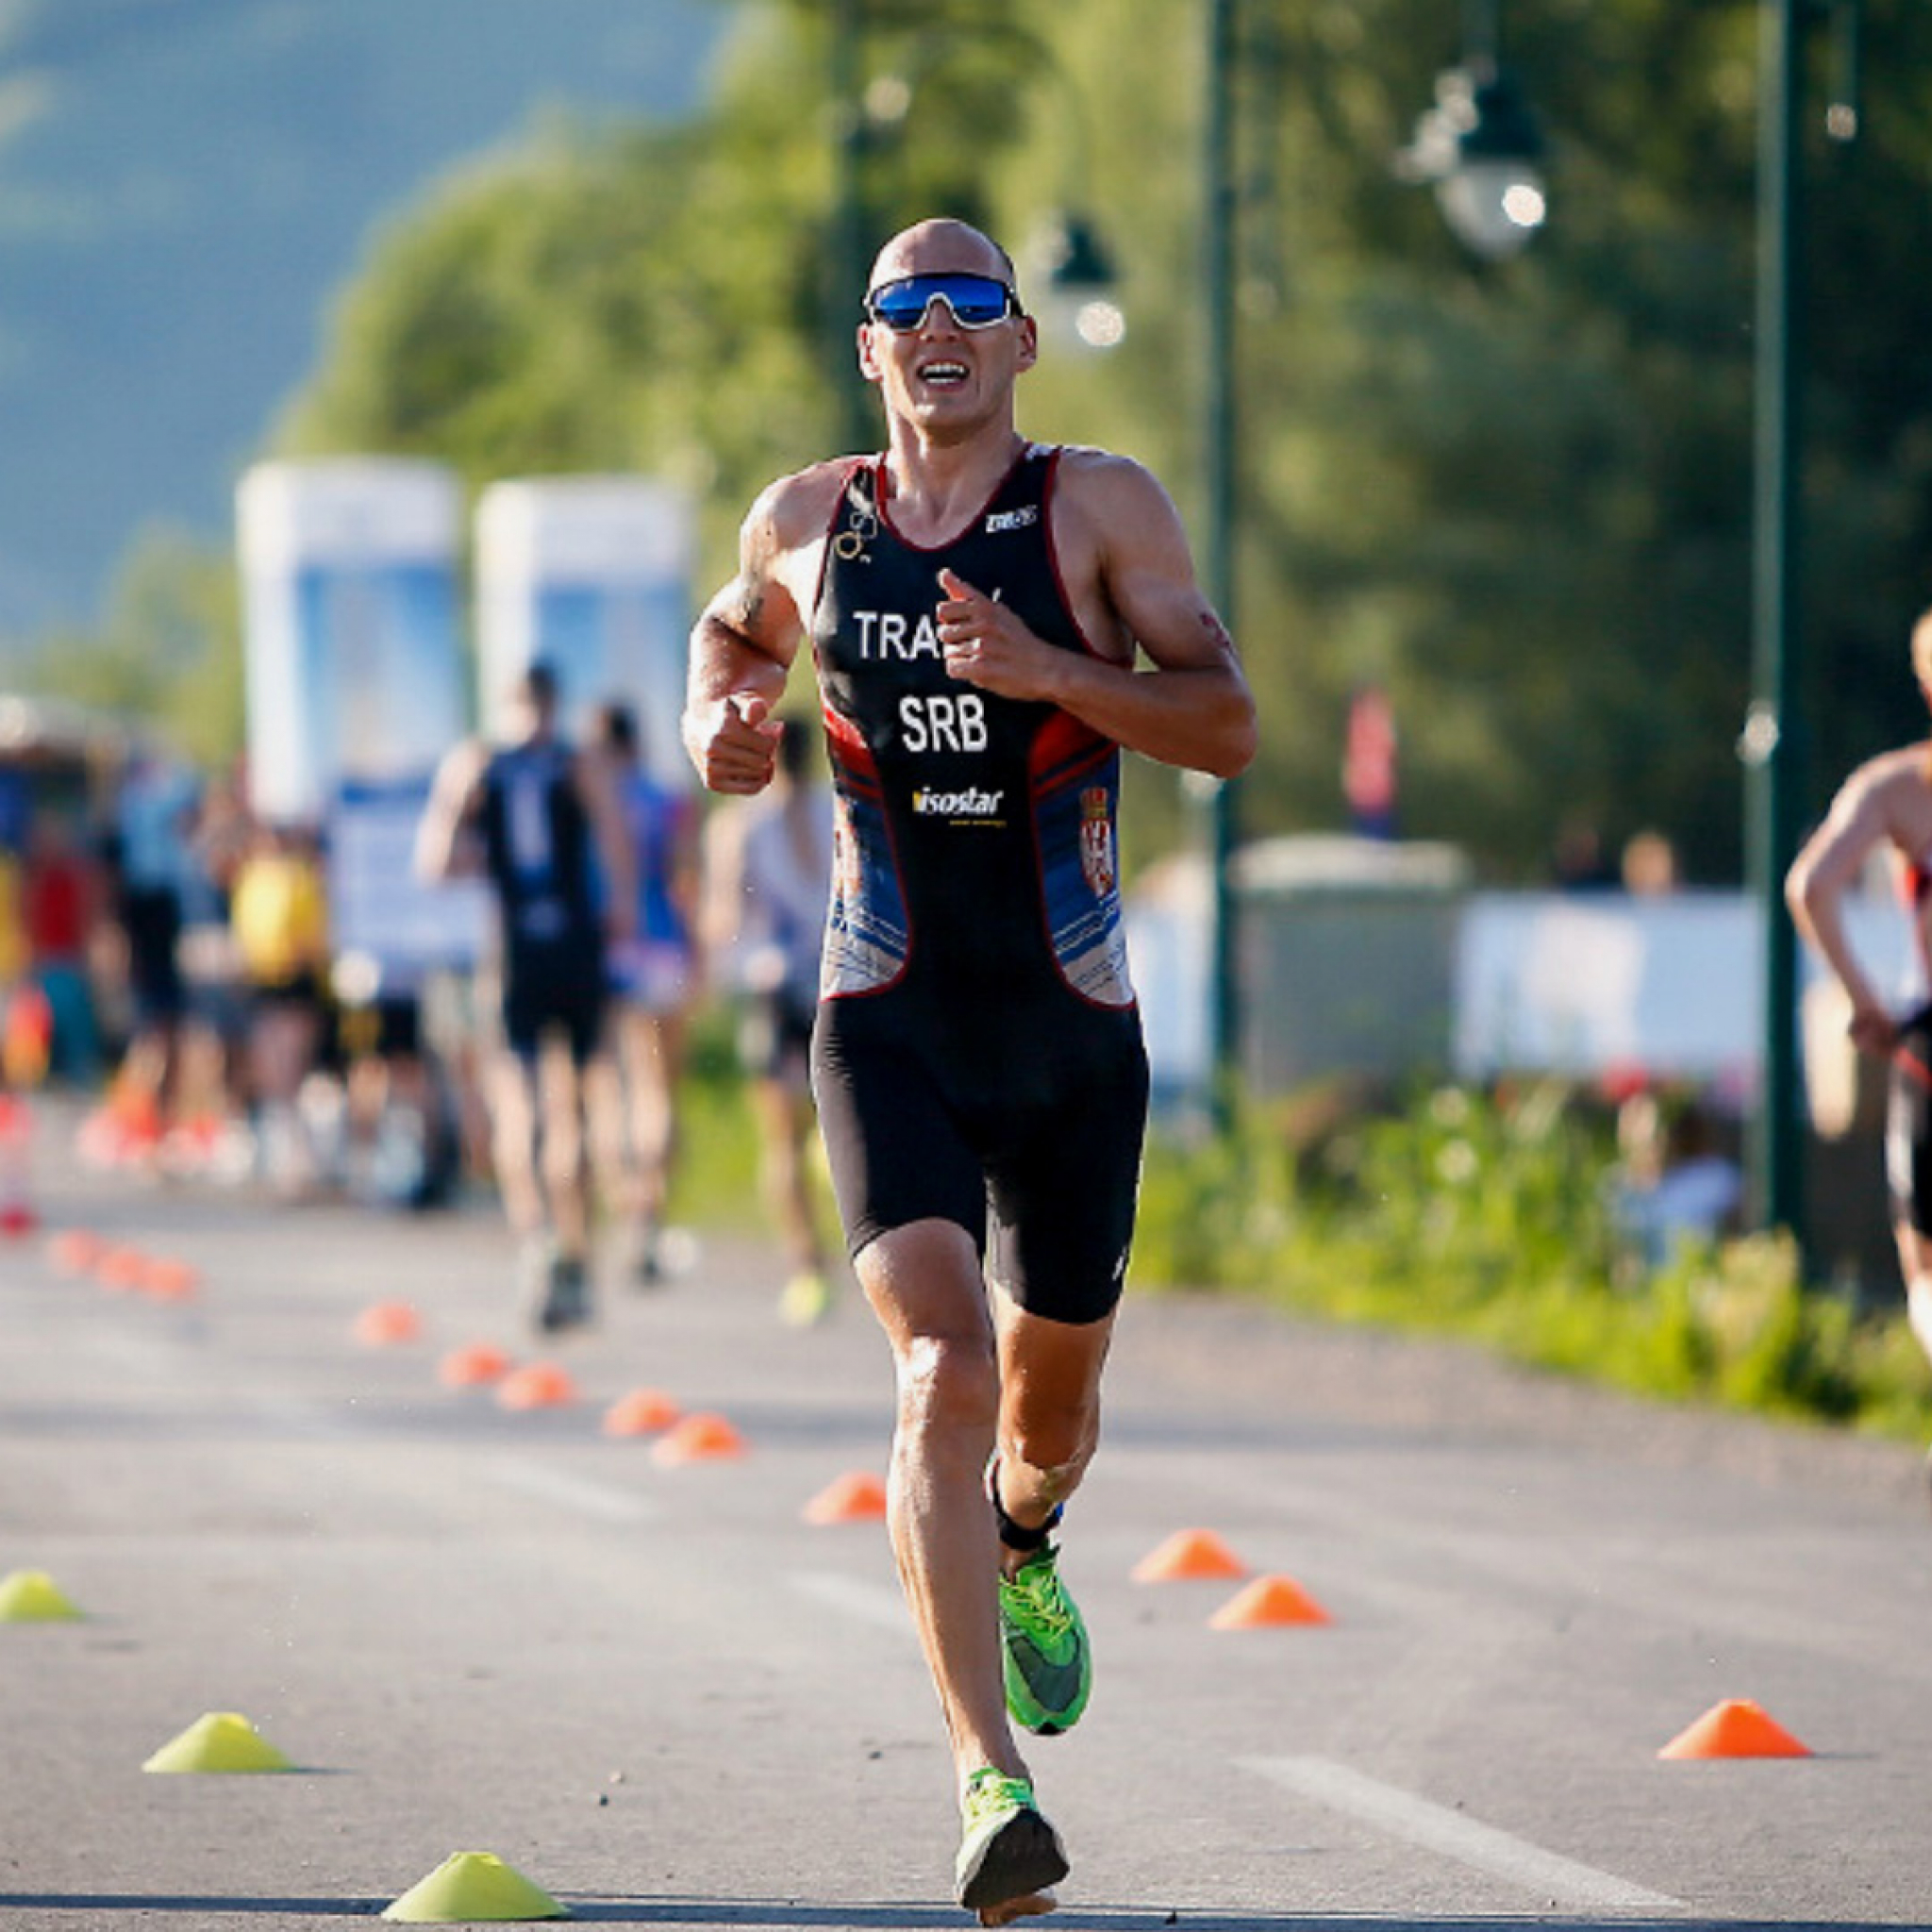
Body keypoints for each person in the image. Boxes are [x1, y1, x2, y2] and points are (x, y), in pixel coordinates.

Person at [682, 219, 1257, 1924]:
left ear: (1019, 342)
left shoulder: (1099, 510)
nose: (938, 324)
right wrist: (720, 722)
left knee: (1046, 1416)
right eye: (903, 305)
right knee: (941, 1358)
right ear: (869, 347)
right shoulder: (806, 520)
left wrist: (1047, 670)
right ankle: (988, 1782)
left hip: (1070, 1027)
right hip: (889, 1008)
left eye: (971, 301)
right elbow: (732, 637)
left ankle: (1023, 1532)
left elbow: (1225, 722)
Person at [417, 660, 634, 1333]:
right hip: (544, 951)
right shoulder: (537, 763)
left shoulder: (517, 762)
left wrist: (485, 859)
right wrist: (619, 909)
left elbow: (437, 861)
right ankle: (556, 1252)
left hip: (542, 952)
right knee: (545, 1110)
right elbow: (614, 846)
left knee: (552, 1111)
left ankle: (558, 1250)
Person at [1788, 604, 1932, 1405]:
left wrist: (1865, 1002)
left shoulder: (1899, 787)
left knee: (1925, 1267)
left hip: (1928, 1044)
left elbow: (1811, 885)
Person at [700, 723, 837, 1326]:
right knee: (845, 1122)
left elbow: (724, 923)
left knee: (781, 1141)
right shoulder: (842, 808)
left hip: (774, 991)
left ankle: (807, 1269)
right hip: (840, 981)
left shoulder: (739, 827)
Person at [585, 700, 701, 1285]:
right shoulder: (667, 801)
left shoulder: (592, 801)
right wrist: (698, 952)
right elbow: (686, 880)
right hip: (664, 947)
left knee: (609, 1090)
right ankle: (650, 1212)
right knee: (660, 1091)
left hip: (608, 951)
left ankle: (625, 1206)